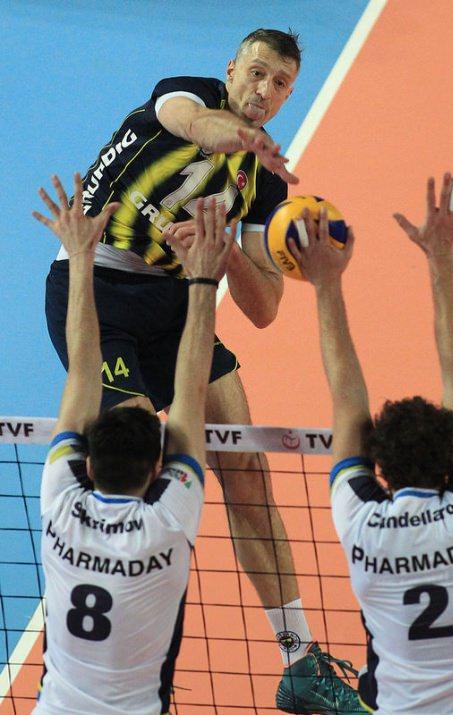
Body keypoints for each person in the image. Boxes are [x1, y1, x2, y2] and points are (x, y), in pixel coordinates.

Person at [43, 29, 363, 713]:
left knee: (245, 467)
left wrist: (225, 251)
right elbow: (199, 127)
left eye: (280, 84)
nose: (264, 91)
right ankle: (107, 658)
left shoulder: (263, 180)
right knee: (134, 456)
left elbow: (265, 308)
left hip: (176, 298)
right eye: (257, 73)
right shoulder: (183, 97)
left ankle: (299, 660)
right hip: (95, 288)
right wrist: (242, 139)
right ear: (232, 69)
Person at [291, 174, 453, 714]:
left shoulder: (365, 524)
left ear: (381, 467)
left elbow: (346, 400)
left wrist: (324, 283)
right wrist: (442, 259)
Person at [32, 174, 234, 714]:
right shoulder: (163, 523)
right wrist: (203, 280)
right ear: (155, 470)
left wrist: (77, 259)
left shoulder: (62, 504)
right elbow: (190, 390)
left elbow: (83, 373)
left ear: (88, 467)